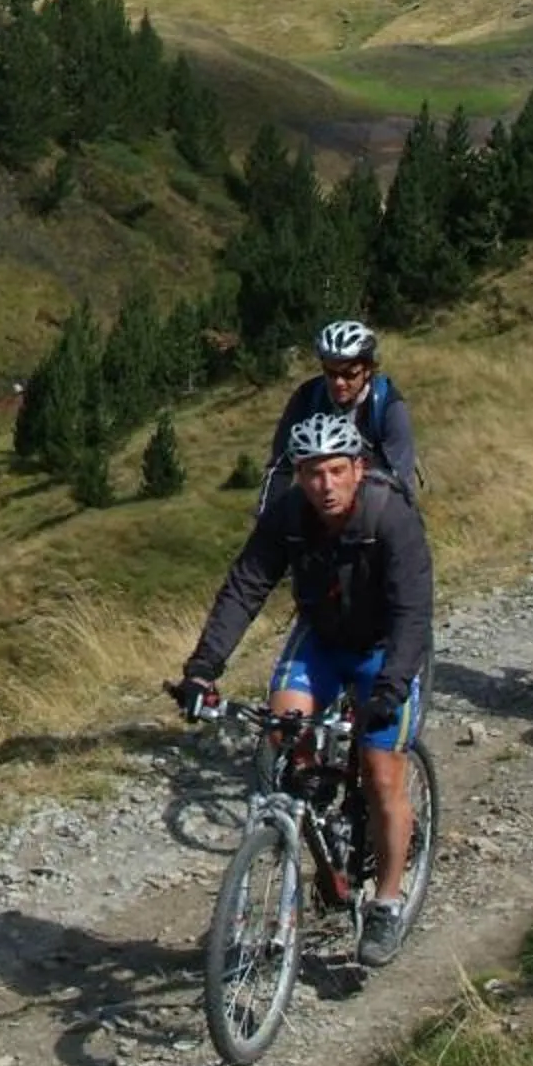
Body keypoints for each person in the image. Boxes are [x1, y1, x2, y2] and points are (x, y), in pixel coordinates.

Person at [168, 410, 433, 968]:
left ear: (358, 468)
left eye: (336, 470)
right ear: (298, 475)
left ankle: (386, 899)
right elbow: (245, 586)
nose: (325, 485)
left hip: (385, 650)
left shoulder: (391, 516)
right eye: (312, 473)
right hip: (321, 639)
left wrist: (390, 687)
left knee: (383, 774)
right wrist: (202, 668)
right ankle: (295, 854)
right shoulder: (288, 513)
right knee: (284, 736)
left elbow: (414, 614)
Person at [255, 319, 418, 509]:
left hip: (373, 505)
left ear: (368, 370)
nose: (339, 383)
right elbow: (280, 467)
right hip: (320, 502)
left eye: (349, 374)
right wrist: (265, 523)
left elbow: (402, 484)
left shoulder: (388, 406)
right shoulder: (307, 397)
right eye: (331, 373)